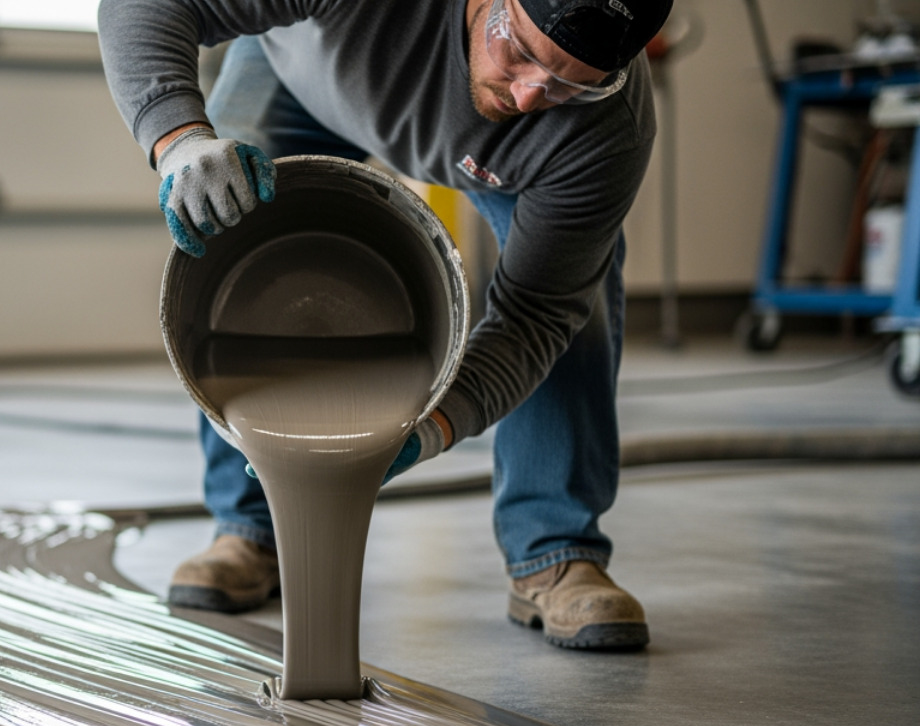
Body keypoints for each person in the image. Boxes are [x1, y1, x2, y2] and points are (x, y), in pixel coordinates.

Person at [98, 0, 672, 651]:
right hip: (304, 71)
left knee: (576, 289)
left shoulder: (599, 127)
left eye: (570, 82)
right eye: (520, 50)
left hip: (501, 160)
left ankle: (555, 551)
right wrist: (179, 140)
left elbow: (534, 317)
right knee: (232, 229)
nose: (528, 94)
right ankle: (252, 528)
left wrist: (429, 429)